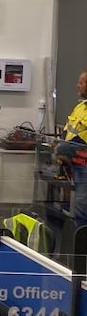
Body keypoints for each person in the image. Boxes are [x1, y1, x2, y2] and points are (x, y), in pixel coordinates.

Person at [57, 70, 87, 228]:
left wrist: (65, 147)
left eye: (81, 83)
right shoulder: (81, 106)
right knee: (78, 203)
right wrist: (61, 142)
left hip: (84, 161)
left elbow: (82, 137)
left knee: (82, 203)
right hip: (75, 160)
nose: (77, 85)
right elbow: (69, 128)